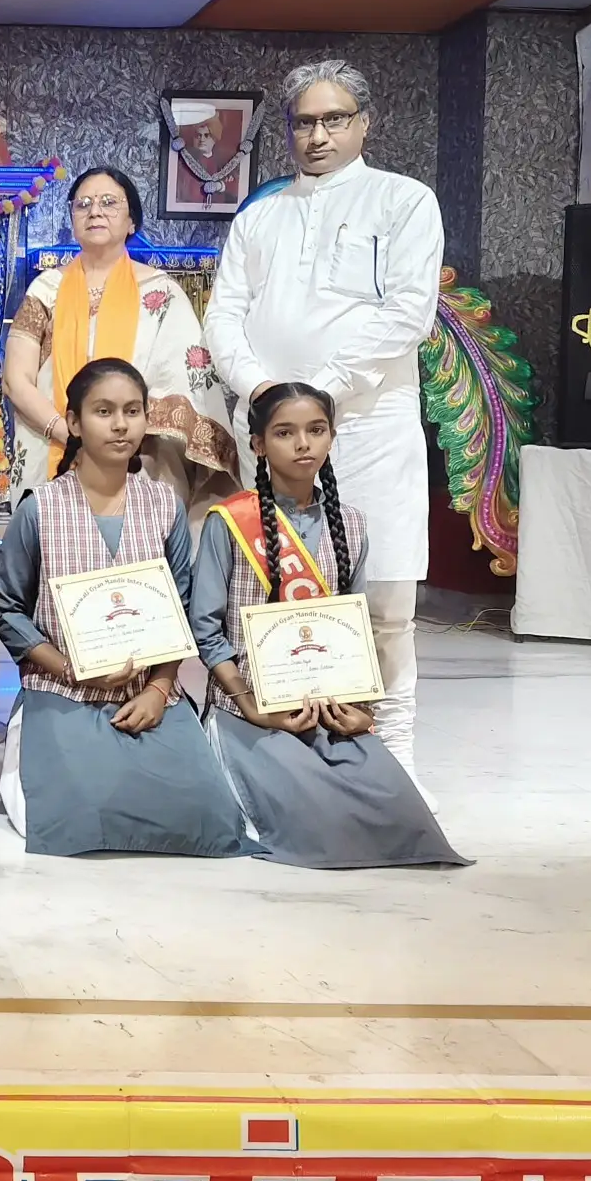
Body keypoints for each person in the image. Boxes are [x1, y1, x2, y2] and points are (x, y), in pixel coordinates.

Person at [201, 60, 444, 792]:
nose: (318, 135)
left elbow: (408, 313)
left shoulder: (404, 201)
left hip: (368, 429)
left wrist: (319, 395)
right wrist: (264, 392)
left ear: (364, 123)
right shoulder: (260, 216)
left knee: (385, 604)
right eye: (304, 122)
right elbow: (224, 313)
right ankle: (275, 748)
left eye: (334, 119)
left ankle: (395, 757)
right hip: (273, 436)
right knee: (265, 596)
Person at [192, 382, 465, 869]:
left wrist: (361, 711)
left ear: (331, 438)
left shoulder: (352, 526)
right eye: (285, 433)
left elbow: (352, 632)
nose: (303, 444)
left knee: (401, 813)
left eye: (316, 430)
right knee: (317, 817)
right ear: (258, 444)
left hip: (327, 710)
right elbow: (206, 630)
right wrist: (252, 706)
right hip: (247, 713)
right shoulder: (228, 523)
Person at [0, 358, 247, 858]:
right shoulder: (40, 508)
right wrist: (68, 668)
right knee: (83, 808)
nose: (120, 424)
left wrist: (158, 688)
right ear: (74, 422)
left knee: (204, 813)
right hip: (62, 689)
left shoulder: (164, 505)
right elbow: (7, 609)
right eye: (103, 411)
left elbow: (180, 607)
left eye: (132, 411)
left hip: (148, 690)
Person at [3, 165, 237, 507]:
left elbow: (184, 385)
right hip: (55, 447)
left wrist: (115, 433)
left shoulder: (162, 293)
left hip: (140, 460)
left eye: (109, 202)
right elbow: (16, 380)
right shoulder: (46, 289)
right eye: (83, 204)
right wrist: (69, 434)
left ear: (132, 222)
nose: (94, 211)